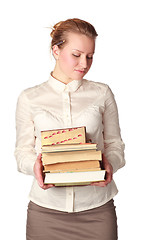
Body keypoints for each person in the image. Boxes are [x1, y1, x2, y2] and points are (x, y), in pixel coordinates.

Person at [14, 18, 125, 240]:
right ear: (56, 50)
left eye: (90, 56)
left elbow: (115, 145)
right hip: (46, 213)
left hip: (97, 210)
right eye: (76, 55)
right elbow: (22, 152)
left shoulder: (102, 93)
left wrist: (109, 164)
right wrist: (34, 167)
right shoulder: (29, 98)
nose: (84, 63)